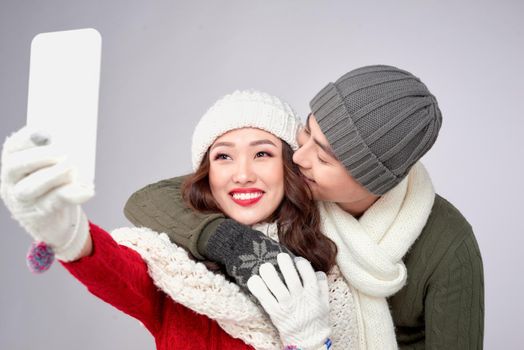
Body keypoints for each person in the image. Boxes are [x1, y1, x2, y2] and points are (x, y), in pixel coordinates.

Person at [125, 65, 485, 349]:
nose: (298, 156)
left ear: (371, 183)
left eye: (323, 156)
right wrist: (232, 242)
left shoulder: (448, 247)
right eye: (307, 132)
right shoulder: (296, 179)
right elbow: (154, 198)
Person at [0, 90, 341, 350]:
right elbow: (118, 271)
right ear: (207, 173)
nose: (242, 174)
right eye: (223, 156)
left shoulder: (335, 260)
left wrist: (311, 339)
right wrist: (70, 234)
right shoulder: (176, 269)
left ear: (289, 165)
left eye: (262, 153)